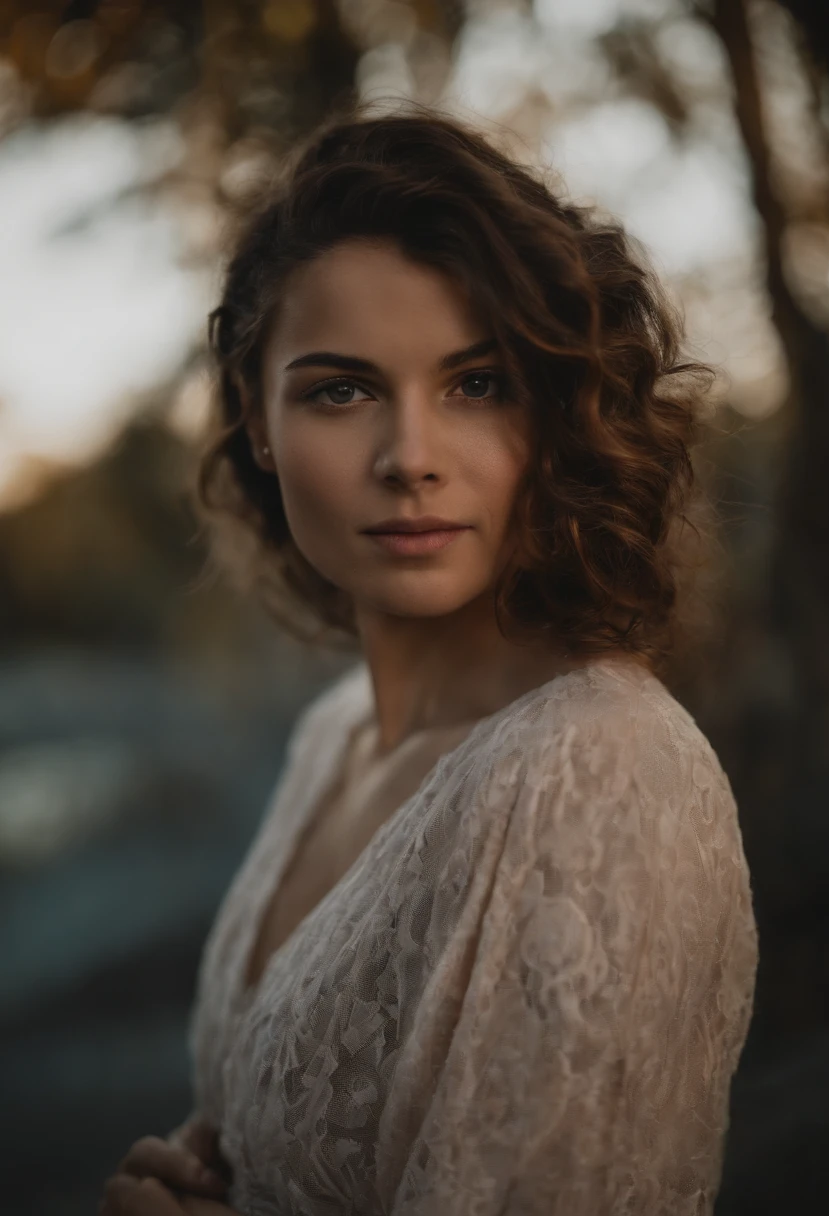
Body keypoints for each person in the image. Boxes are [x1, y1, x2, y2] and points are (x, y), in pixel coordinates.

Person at [98, 100, 759, 1216]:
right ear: (259, 422)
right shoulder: (334, 732)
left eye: (477, 383)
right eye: (340, 390)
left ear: (550, 410)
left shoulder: (601, 777)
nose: (411, 458)